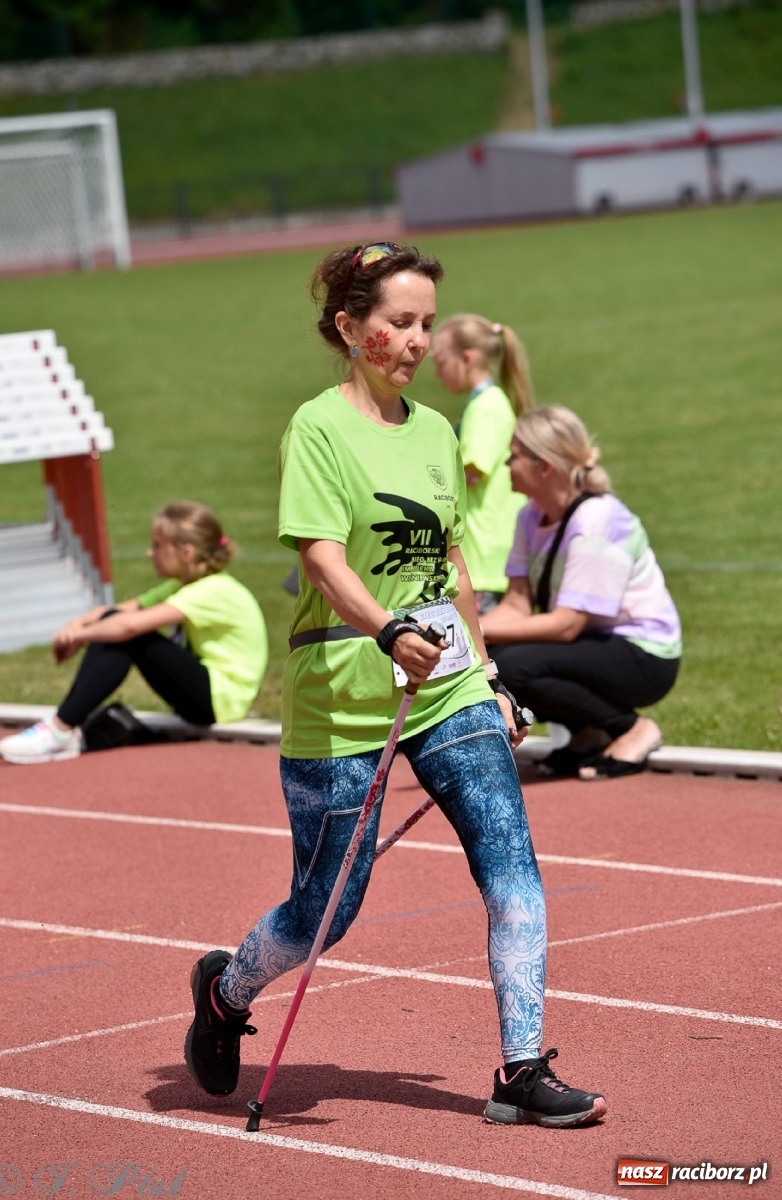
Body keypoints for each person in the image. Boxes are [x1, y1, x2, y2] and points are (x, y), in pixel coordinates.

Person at [183, 242, 607, 1128]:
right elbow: (320, 554)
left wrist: (485, 672)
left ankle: (520, 1069)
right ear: (349, 328)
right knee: (322, 915)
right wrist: (386, 629)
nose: (415, 341)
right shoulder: (317, 428)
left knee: (512, 869)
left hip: (444, 684)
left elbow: (449, 557)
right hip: (342, 689)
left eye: (423, 324)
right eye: (397, 323)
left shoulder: (436, 432)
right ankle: (225, 993)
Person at [480, 406, 682, 781]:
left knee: (511, 665)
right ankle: (587, 733)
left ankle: (631, 729)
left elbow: (567, 626)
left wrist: (482, 635)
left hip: (645, 655)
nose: (506, 463)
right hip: (595, 644)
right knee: (491, 659)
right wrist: (471, 636)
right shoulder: (530, 515)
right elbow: (517, 604)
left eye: (514, 455)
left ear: (546, 467)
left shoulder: (596, 518)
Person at [0, 501, 268, 765]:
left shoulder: (214, 590)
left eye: (158, 546)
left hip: (220, 702)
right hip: (207, 696)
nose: (150, 553)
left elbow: (129, 625)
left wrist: (81, 636)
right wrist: (75, 626)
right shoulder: (183, 585)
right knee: (116, 625)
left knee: (127, 634)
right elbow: (111, 612)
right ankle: (62, 726)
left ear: (186, 553)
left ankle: (60, 728)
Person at [431, 314, 534, 614]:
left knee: (478, 651)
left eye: (441, 363)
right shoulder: (488, 403)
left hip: (483, 554)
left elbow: (473, 472)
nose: (438, 374)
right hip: (493, 551)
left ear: (467, 358)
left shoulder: (486, 407)